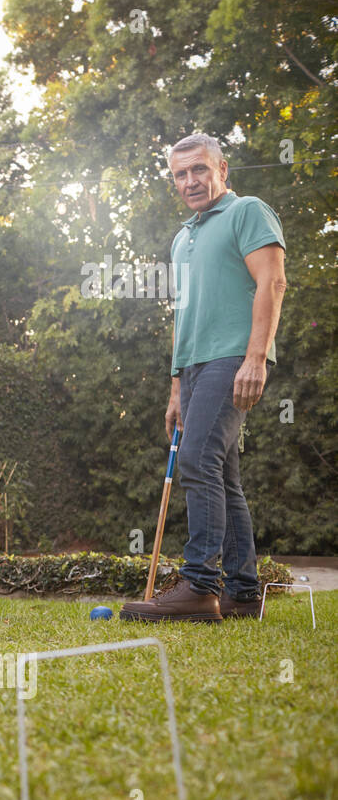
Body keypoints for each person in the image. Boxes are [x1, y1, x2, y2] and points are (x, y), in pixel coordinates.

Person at [121, 133, 286, 623]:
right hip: (195, 367)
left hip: (233, 357)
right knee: (223, 475)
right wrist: (176, 387)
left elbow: (272, 281)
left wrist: (256, 357)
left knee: (196, 461)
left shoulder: (248, 212)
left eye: (199, 169)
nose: (190, 181)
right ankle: (241, 592)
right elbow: (184, 313)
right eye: (180, 174)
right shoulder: (181, 237)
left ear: (222, 169)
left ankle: (198, 585)